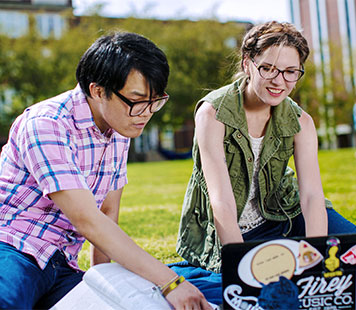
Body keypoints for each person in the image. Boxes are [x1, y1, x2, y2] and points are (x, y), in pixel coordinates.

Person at [0, 31, 212, 310]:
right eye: (138, 101)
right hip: (14, 248)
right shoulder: (47, 124)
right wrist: (170, 282)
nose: (147, 113)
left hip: (63, 264)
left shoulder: (121, 126)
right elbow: (87, 219)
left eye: (155, 101)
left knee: (180, 296)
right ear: (98, 90)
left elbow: (107, 212)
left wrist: (108, 282)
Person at [173, 21, 356, 304]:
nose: (279, 81)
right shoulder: (212, 114)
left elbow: (310, 196)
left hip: (285, 216)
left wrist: (314, 258)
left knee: (346, 264)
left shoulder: (300, 122)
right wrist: (241, 262)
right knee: (249, 294)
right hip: (236, 228)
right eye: (268, 68)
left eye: (290, 72)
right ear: (247, 63)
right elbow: (220, 200)